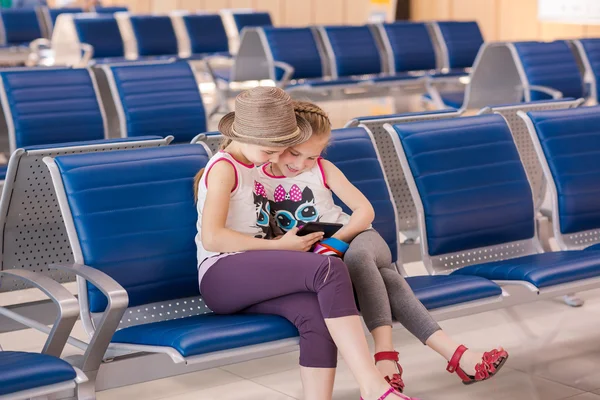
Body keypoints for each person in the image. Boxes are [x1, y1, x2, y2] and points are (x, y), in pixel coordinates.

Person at [257, 101, 509, 392]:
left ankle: (385, 356)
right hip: (322, 266)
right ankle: (458, 355)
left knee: (358, 258)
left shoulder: (323, 170)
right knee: (388, 279)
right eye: (295, 153)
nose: (300, 164)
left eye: (311, 157)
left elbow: (364, 211)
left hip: (359, 237)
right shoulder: (258, 178)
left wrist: (336, 242)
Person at [194, 87, 416, 400]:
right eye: (271, 150)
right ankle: (373, 386)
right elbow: (212, 237)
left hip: (254, 275)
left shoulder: (255, 165)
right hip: (221, 275)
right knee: (328, 268)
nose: (276, 158)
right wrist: (281, 247)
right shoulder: (224, 168)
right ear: (246, 137)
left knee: (316, 314)